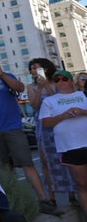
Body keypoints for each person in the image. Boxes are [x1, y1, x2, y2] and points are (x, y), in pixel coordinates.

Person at [0, 54, 59, 216]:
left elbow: (20, 87)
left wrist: (1, 74)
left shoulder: (7, 77)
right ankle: (12, 200)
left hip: (12, 126)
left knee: (27, 163)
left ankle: (43, 200)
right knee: (3, 167)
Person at [39, 69, 87, 222]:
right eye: (57, 80)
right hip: (69, 147)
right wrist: (63, 116)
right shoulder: (50, 102)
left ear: (71, 81)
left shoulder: (83, 96)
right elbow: (46, 123)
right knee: (82, 186)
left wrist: (82, 112)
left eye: (64, 79)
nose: (60, 82)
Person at [26, 58, 73, 212]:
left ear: (46, 69)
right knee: (46, 161)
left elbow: (58, 101)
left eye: (37, 68)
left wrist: (47, 85)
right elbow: (34, 105)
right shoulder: (31, 87)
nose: (34, 71)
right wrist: (40, 88)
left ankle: (72, 194)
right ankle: (52, 195)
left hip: (59, 123)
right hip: (42, 124)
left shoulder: (56, 83)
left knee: (65, 158)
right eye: (32, 68)